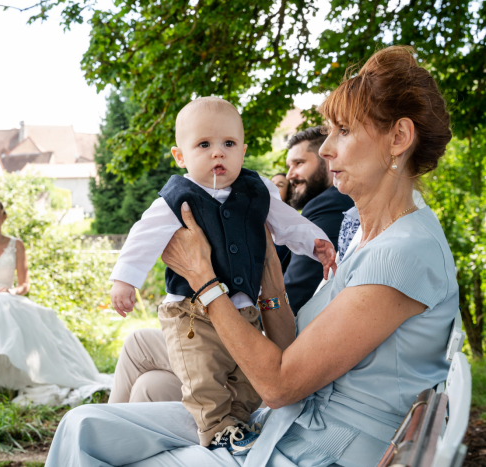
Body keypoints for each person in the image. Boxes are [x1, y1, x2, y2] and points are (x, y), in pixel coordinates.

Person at [46, 45, 456, 466]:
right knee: (83, 425)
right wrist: (271, 283)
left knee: (93, 440)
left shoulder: (403, 253)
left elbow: (279, 384)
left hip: (312, 449)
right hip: (283, 424)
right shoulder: (367, 237)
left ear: (399, 138)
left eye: (344, 131)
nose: (326, 149)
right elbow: (298, 352)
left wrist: (203, 280)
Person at [110, 96, 337, 454]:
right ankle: (216, 428)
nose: (218, 153)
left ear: (243, 150)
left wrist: (315, 242)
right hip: (191, 314)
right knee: (204, 376)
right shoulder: (178, 196)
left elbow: (287, 222)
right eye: (204, 145)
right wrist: (125, 280)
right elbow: (144, 235)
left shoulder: (256, 188)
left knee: (247, 377)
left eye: (228, 144)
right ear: (180, 156)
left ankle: (239, 421)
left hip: (244, 314)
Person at [0, 199, 112, 405]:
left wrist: (12, 290)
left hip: (8, 297)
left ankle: (24, 374)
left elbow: (25, 285)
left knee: (4, 306)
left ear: (4, 216)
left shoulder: (17, 245)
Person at [284, 127, 355, 314]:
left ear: (329, 160)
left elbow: (296, 294)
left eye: (298, 163)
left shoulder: (328, 204)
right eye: (288, 167)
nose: (289, 175)